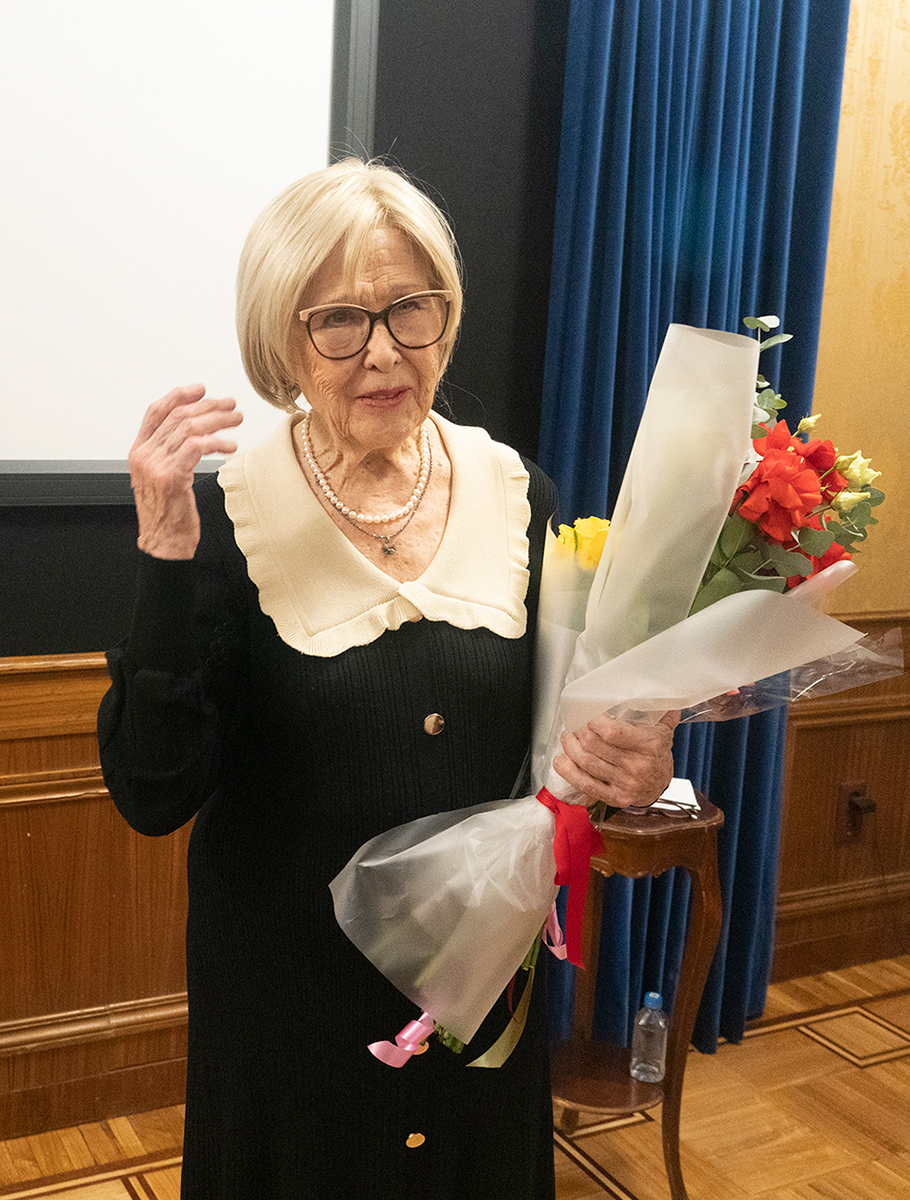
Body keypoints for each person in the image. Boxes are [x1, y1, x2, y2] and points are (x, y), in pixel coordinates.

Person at [98, 158, 677, 1200]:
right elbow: (152, 792)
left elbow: (570, 735)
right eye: (338, 320)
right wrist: (164, 559)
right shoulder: (229, 518)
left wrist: (631, 761)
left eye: (411, 308)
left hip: (476, 990)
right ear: (281, 339)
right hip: (292, 1010)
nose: (382, 350)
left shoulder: (520, 495)